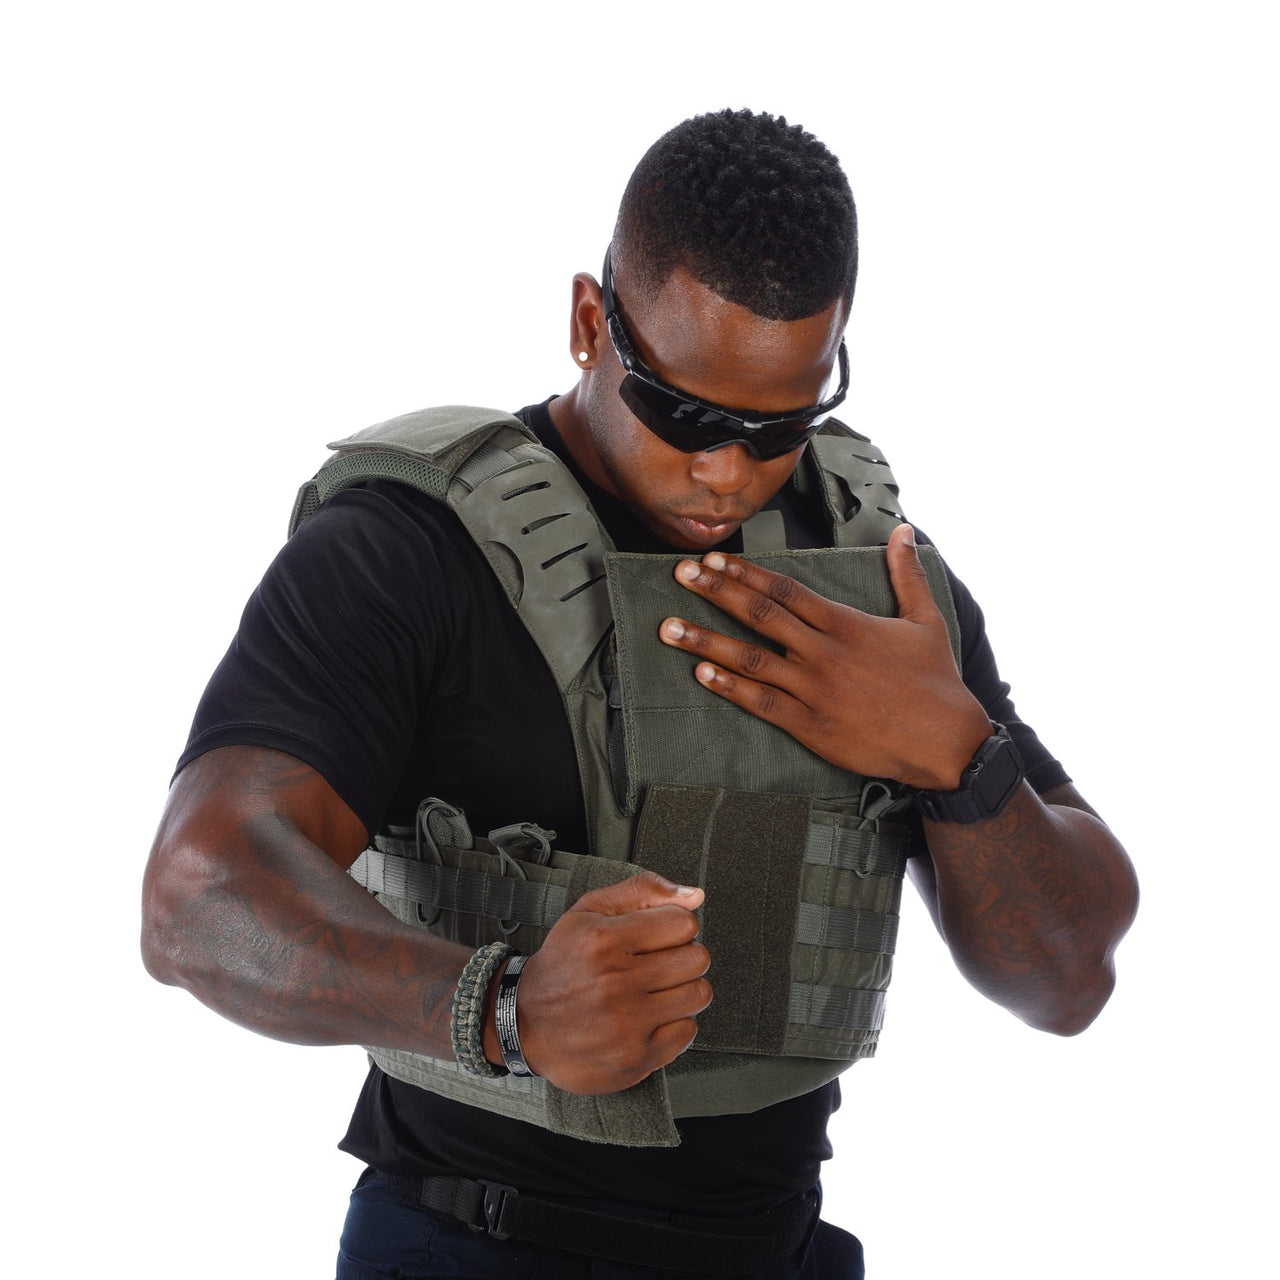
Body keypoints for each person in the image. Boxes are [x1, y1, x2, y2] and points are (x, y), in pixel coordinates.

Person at [142, 109, 1138, 1278]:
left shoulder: (877, 578)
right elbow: (196, 893)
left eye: (779, 427)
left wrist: (959, 762)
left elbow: (1068, 979)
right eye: (684, 413)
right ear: (587, 322)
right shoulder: (409, 550)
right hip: (474, 1242)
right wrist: (500, 1009)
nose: (724, 471)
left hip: (778, 1246)